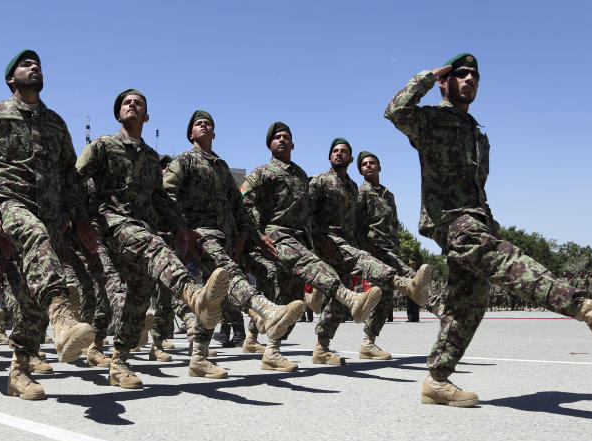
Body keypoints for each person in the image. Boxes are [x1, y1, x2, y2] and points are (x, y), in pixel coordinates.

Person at [385, 52, 592, 406]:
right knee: (507, 260)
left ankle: (437, 380)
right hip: (451, 220)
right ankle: (589, 310)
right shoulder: (430, 120)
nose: (470, 79)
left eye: (475, 76)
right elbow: (395, 110)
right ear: (445, 81)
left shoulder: (477, 133)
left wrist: (489, 222)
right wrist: (429, 74)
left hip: (476, 219)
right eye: (461, 74)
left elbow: (477, 188)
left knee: (469, 303)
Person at [0, 50, 96, 399]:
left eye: (38, 64)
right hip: (9, 202)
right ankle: (63, 319)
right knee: (35, 237)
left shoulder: (55, 122)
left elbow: (69, 173)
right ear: (11, 79)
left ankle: (18, 371)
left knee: (32, 295)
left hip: (51, 214)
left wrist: (75, 215)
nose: (34, 66)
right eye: (25, 64)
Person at [76, 89, 230, 388]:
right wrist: (80, 220)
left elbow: (161, 198)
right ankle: (194, 296)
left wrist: (181, 227)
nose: (132, 106)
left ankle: (119, 362)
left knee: (139, 292)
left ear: (146, 116)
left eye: (138, 104)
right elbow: (74, 179)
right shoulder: (103, 146)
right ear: (118, 113)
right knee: (152, 246)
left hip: (140, 227)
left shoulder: (149, 157)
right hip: (112, 224)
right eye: (126, 103)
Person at [164, 110, 306, 378]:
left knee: (213, 299)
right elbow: (166, 195)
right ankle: (264, 311)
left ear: (214, 133)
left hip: (225, 238)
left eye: (209, 124)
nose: (204, 126)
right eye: (198, 124)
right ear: (191, 133)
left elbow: (239, 206)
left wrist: (247, 234)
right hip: (199, 235)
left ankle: (199, 358)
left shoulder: (220, 166)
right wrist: (182, 229)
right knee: (229, 276)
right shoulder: (183, 161)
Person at [240, 123, 384, 371]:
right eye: (277, 138)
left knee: (292, 300)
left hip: (299, 238)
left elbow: (309, 213)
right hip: (276, 236)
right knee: (311, 266)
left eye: (287, 137)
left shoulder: (300, 175)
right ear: (270, 145)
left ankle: (272, 352)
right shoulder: (262, 172)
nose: (282, 140)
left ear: (293, 144)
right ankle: (350, 299)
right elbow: (242, 202)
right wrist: (258, 235)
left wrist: (316, 240)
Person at [307, 139, 430, 365]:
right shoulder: (320, 182)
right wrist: (318, 241)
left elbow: (355, 223)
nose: (339, 154)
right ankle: (405, 284)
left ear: (349, 159)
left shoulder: (352, 187)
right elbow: (308, 215)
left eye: (344, 152)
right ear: (329, 157)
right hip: (330, 245)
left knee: (339, 300)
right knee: (364, 273)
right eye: (335, 151)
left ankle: (321, 348)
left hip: (348, 246)